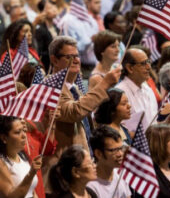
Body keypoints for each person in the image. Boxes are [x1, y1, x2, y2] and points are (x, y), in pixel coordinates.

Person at [43, 36, 121, 188]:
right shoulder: (50, 87)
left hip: (81, 165)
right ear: (54, 60)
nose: (76, 60)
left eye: (77, 56)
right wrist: (104, 84)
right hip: (63, 171)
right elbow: (74, 112)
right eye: (68, 57)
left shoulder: (75, 88)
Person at [0, 115, 42, 198]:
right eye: (18, 132)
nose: (24, 135)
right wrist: (31, 174)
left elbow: (31, 191)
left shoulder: (22, 156)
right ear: (4, 138)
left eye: (24, 130)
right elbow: (10, 196)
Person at [116, 48, 158, 132]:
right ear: (130, 68)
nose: (149, 67)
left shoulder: (148, 90)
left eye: (148, 62)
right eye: (143, 63)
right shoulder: (119, 92)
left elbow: (154, 123)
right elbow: (119, 129)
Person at [87, 126, 131, 198]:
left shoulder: (121, 174)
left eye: (121, 148)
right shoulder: (90, 186)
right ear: (98, 153)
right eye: (114, 150)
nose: (120, 154)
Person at [34, 0, 59, 72]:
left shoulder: (57, 28)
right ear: (43, 12)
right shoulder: (40, 30)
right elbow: (39, 52)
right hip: (47, 66)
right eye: (50, 7)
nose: (54, 9)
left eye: (55, 6)